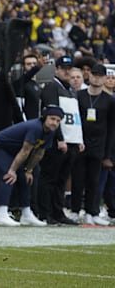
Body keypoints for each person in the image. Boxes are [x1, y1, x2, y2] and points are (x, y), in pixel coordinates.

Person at [0, 105, 64, 226]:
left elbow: (39, 153)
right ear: (44, 118)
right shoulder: (35, 127)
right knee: (8, 176)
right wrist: (12, 170)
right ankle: (2, 214)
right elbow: (25, 151)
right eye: (52, 119)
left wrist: (29, 170)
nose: (55, 123)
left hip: (13, 152)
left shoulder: (50, 132)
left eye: (58, 121)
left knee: (25, 178)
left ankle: (26, 214)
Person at [38, 55, 81, 225]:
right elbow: (52, 116)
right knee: (49, 178)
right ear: (56, 69)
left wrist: (79, 138)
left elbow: (74, 117)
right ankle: (45, 212)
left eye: (69, 69)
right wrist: (59, 138)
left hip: (71, 140)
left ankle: (57, 211)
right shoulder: (51, 87)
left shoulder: (70, 90)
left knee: (61, 180)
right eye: (63, 69)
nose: (67, 72)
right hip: (57, 141)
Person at [72, 64, 113, 225]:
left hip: (99, 145)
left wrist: (108, 155)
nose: (96, 78)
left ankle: (92, 211)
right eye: (94, 74)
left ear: (104, 78)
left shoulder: (109, 100)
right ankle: (75, 210)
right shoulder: (79, 95)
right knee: (77, 179)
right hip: (80, 143)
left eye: (100, 75)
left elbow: (111, 129)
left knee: (94, 181)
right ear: (88, 76)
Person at [12, 53, 42, 120]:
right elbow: (26, 77)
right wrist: (37, 67)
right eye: (29, 64)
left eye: (34, 64)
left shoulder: (37, 83)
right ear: (23, 66)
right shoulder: (20, 82)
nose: (32, 66)